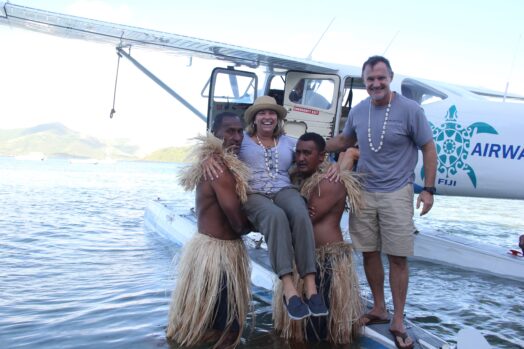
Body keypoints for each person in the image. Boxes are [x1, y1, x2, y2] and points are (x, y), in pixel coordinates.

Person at [325, 56, 437, 349]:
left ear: (390, 77)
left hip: (397, 192)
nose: (375, 84)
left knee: (398, 257)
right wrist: (305, 143)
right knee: (369, 252)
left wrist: (428, 189)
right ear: (365, 82)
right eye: (370, 80)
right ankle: (378, 308)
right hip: (363, 191)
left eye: (380, 78)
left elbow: (428, 147)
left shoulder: (410, 110)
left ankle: (397, 319)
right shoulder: (359, 111)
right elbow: (343, 141)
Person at [166, 112, 252, 349]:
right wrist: (266, 223)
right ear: (215, 135)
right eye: (229, 131)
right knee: (227, 330)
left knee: (203, 326)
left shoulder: (218, 163)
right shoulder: (219, 169)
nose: (236, 137)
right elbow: (238, 224)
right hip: (218, 258)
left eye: (239, 131)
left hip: (210, 252)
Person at [273, 132, 364, 344]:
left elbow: (303, 220)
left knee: (320, 332)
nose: (301, 158)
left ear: (322, 156)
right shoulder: (299, 180)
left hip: (325, 264)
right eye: (298, 153)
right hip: (306, 261)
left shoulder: (330, 182)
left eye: (307, 153)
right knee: (301, 332)